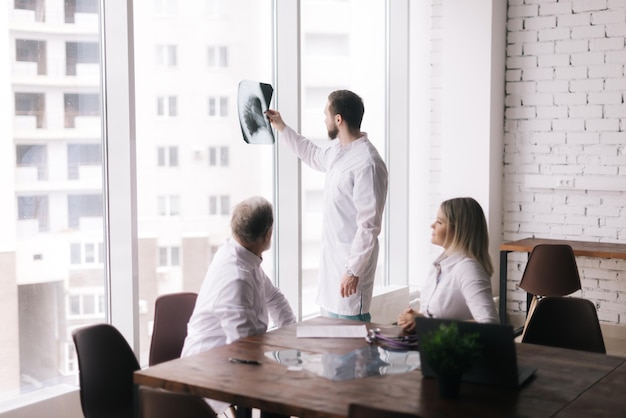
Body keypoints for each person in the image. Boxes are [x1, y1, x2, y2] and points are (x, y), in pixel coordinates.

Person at [265, 90, 388, 322]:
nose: (324, 119)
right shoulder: (337, 151)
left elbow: (369, 226)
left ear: (338, 119)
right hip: (333, 266)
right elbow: (311, 153)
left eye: (326, 114)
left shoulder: (368, 163)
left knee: (351, 344)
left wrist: (353, 271)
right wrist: (281, 126)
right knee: (332, 343)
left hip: (351, 268)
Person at [182, 196, 295, 418]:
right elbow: (246, 346)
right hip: (210, 366)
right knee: (281, 385)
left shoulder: (242, 255)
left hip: (229, 355)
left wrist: (293, 335)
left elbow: (274, 297)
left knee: (282, 377)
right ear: (268, 235)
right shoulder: (236, 276)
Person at [396, 197, 499, 332]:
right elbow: (436, 318)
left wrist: (424, 323)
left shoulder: (468, 269)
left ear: (458, 230)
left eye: (439, 222)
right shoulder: (439, 266)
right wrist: (415, 318)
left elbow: (490, 325)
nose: (432, 225)